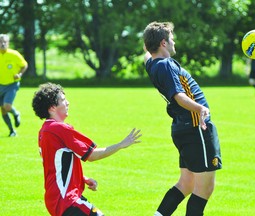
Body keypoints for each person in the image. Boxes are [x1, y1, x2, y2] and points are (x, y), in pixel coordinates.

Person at [143, 21, 222, 216]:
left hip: (183, 127)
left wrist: (149, 38)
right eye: (171, 39)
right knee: (204, 188)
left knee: (186, 183)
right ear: (163, 43)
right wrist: (201, 108)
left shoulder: (152, 63)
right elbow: (179, 96)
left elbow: (147, 52)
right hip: (196, 127)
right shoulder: (165, 65)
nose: (174, 42)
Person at [32, 82, 142, 216]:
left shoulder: (44, 130)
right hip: (67, 199)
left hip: (56, 198)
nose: (68, 103)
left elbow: (56, 166)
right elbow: (91, 155)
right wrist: (120, 145)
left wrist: (82, 178)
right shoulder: (59, 129)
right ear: (52, 108)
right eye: (62, 100)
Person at [0, 34, 28, 137]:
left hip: (12, 84)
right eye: (0, 42)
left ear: (8, 43)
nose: (2, 44)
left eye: (4, 42)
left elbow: (24, 65)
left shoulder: (14, 54)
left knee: (7, 106)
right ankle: (12, 131)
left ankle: (16, 113)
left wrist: (20, 74)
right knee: (2, 109)